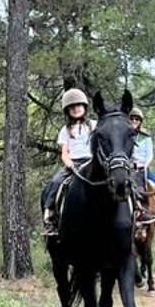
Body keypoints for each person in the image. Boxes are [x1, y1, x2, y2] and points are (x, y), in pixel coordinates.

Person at [42, 86, 92, 238]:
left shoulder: (93, 125)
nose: (76, 109)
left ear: (84, 106)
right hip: (74, 164)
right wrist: (69, 163)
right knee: (55, 182)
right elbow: (64, 153)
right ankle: (50, 215)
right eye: (72, 107)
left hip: (92, 162)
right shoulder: (65, 130)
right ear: (67, 110)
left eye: (78, 105)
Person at [129, 109, 155, 220]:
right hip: (129, 170)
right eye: (132, 119)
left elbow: (150, 155)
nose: (134, 121)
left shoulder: (146, 137)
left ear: (140, 121)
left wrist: (145, 164)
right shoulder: (124, 135)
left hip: (143, 169)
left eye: (137, 119)